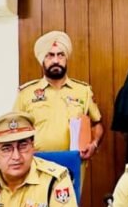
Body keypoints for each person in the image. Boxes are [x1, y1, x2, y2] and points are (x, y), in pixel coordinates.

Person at [13, 31, 104, 159]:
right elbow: (15, 129)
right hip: (38, 161)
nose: (56, 60)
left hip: (73, 160)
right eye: (50, 55)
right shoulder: (26, 93)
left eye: (60, 55)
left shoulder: (83, 91)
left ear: (66, 58)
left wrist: (94, 144)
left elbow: (97, 124)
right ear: (42, 60)